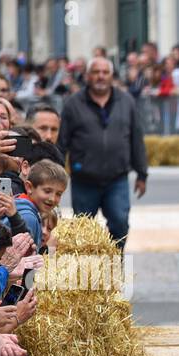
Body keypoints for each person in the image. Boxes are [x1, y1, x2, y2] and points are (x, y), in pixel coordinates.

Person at [58, 58, 147, 248]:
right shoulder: (73, 104)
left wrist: (142, 173)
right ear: (88, 76)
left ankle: (115, 267)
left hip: (117, 179)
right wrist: (55, 174)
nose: (100, 76)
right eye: (96, 72)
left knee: (120, 224)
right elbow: (62, 141)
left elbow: (136, 139)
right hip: (84, 179)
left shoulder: (126, 101)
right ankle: (88, 272)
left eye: (105, 72)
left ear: (111, 76)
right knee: (83, 232)